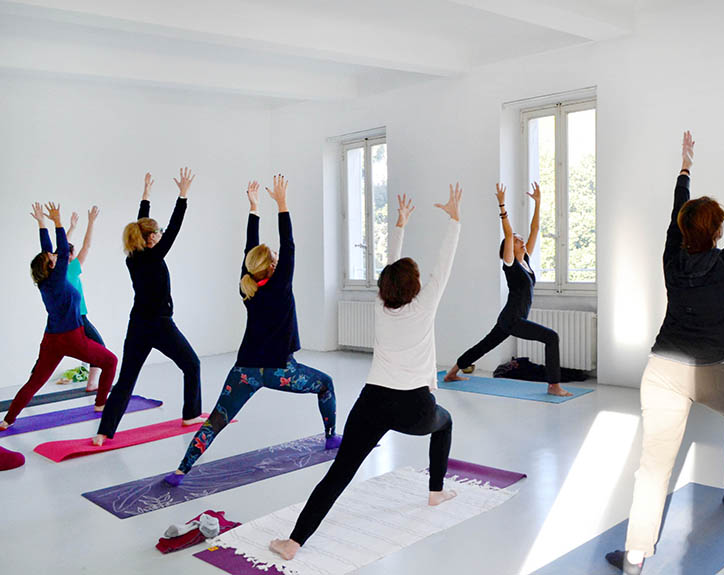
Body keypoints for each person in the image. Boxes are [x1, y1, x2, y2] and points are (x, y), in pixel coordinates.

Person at [606, 121, 724, 574]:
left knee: (653, 466)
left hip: (662, 370)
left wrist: (685, 167)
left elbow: (676, 212)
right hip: (716, 375)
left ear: (685, 231)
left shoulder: (671, 257)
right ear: (718, 233)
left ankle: (634, 556)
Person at [269, 185, 463, 561]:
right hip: (417, 408)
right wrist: (455, 219)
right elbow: (445, 263)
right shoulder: (424, 307)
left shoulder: (379, 306)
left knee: (340, 472)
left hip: (372, 402)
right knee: (446, 423)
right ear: (416, 288)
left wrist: (400, 225)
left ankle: (294, 542)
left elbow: (389, 268)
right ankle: (435, 491)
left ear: (385, 288)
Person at [163, 176, 341, 486]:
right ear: (273, 266)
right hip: (279, 370)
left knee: (217, 419)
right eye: (274, 258)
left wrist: (255, 208)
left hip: (244, 370)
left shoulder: (248, 289)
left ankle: (180, 471)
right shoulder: (281, 285)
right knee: (326, 384)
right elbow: (289, 245)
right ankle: (330, 437)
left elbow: (252, 250)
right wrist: (282, 205)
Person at [93, 169, 204, 445]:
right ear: (151, 237)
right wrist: (183, 196)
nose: (161, 235)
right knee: (192, 364)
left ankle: (104, 432)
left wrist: (145, 195)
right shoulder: (154, 256)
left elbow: (140, 224)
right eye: (158, 232)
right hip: (160, 324)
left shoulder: (133, 256)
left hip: (138, 324)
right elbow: (175, 228)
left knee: (127, 380)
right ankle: (190, 414)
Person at [443, 182, 570, 396]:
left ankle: (451, 373)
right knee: (552, 337)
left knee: (483, 346)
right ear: (508, 249)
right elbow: (509, 234)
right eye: (516, 239)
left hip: (509, 318)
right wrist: (502, 205)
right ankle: (554, 385)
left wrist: (539, 202)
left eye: (521, 239)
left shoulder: (525, 260)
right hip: (513, 319)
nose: (520, 239)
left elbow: (535, 229)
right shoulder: (509, 263)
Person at [1, 202, 117, 430]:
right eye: (52, 258)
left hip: (51, 339)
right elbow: (62, 251)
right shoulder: (57, 275)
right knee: (111, 361)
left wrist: (42, 225)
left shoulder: (44, 281)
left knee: (34, 383)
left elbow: (49, 251)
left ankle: (7, 420)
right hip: (73, 338)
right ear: (52, 266)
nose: (55, 255)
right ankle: (101, 404)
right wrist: (58, 223)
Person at [40, 206, 104, 391]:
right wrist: (91, 222)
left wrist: (72, 227)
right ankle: (92, 383)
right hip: (79, 318)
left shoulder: (53, 274)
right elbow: (87, 245)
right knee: (99, 346)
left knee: (49, 355)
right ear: (71, 256)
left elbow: (62, 246)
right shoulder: (73, 269)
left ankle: (90, 382)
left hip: (60, 321)